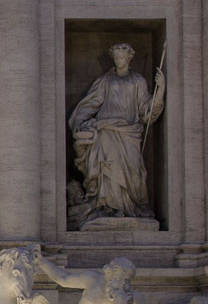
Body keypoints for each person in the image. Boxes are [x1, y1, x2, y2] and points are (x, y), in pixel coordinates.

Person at [68, 42, 165, 223]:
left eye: (122, 57)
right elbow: (91, 103)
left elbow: (147, 111)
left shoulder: (138, 81)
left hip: (129, 133)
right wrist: (80, 123)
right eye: (116, 57)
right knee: (108, 169)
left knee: (134, 171)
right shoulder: (106, 81)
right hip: (106, 131)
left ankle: (131, 207)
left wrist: (160, 90)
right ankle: (108, 207)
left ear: (129, 58)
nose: (119, 60)